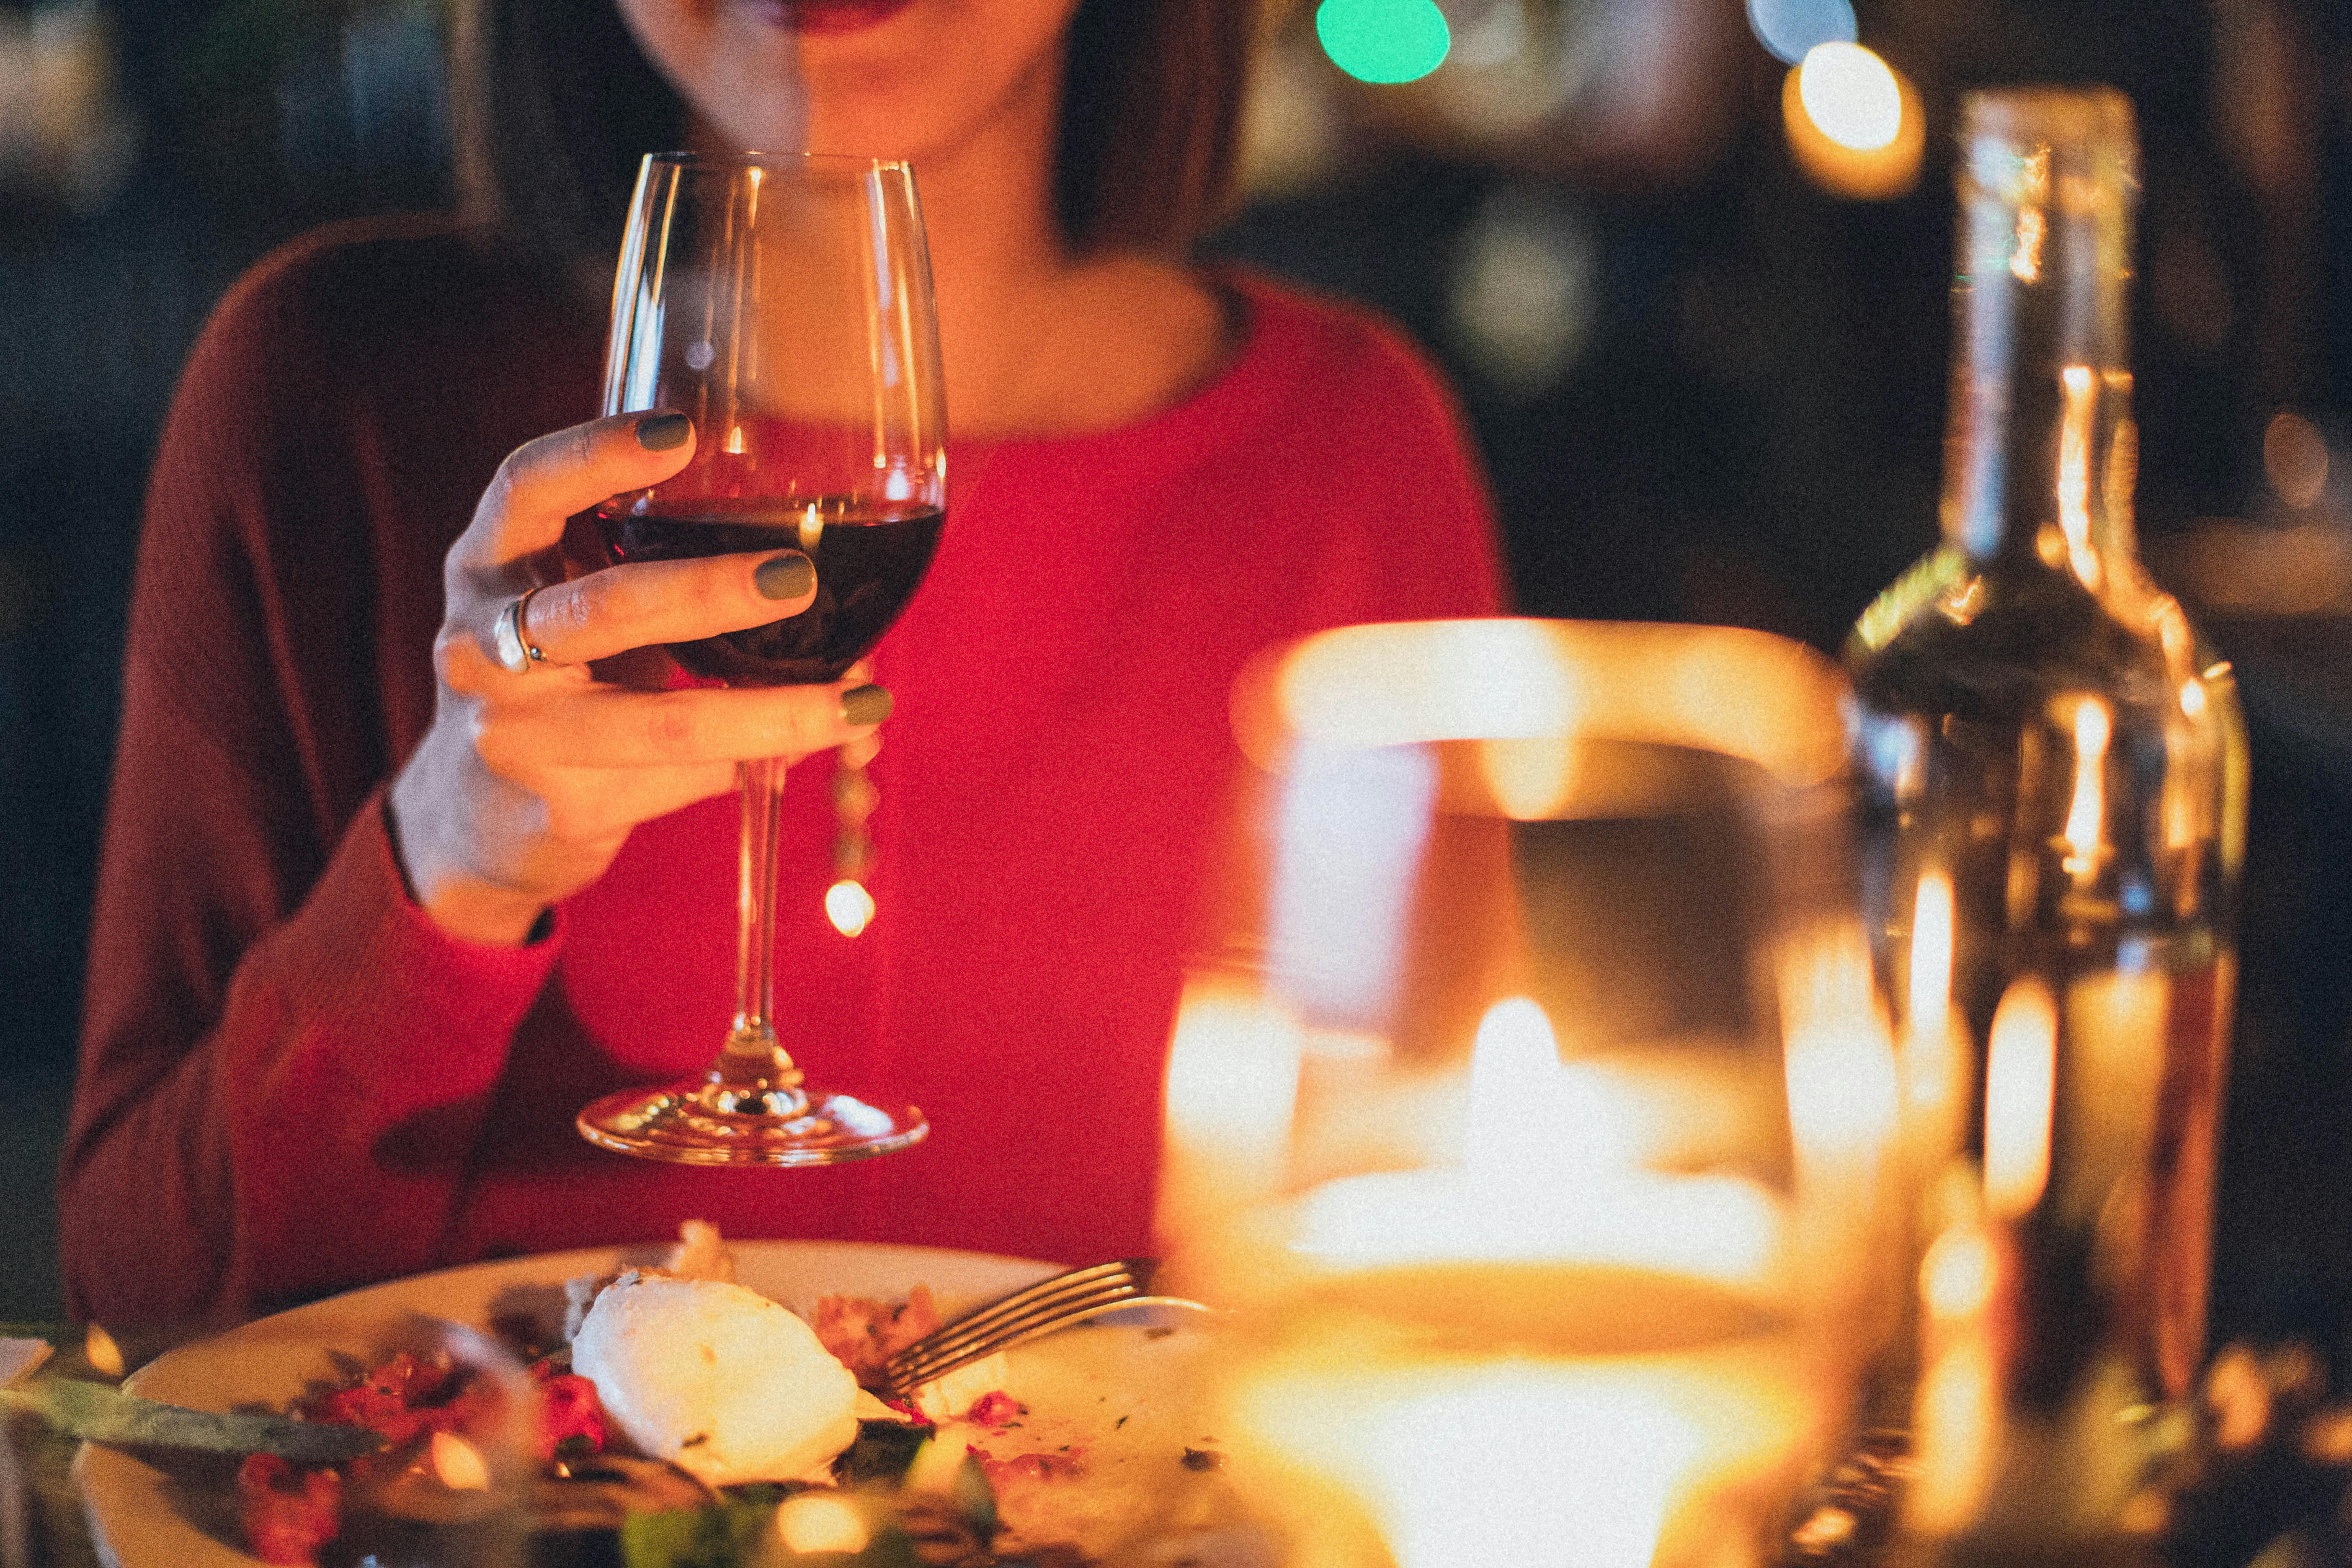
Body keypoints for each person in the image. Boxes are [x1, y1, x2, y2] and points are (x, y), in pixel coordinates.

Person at [61, 0, 1504, 1325]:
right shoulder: (325, 389)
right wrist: (442, 874)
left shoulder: (1349, 457)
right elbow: (149, 1304)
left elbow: (1434, 1280)